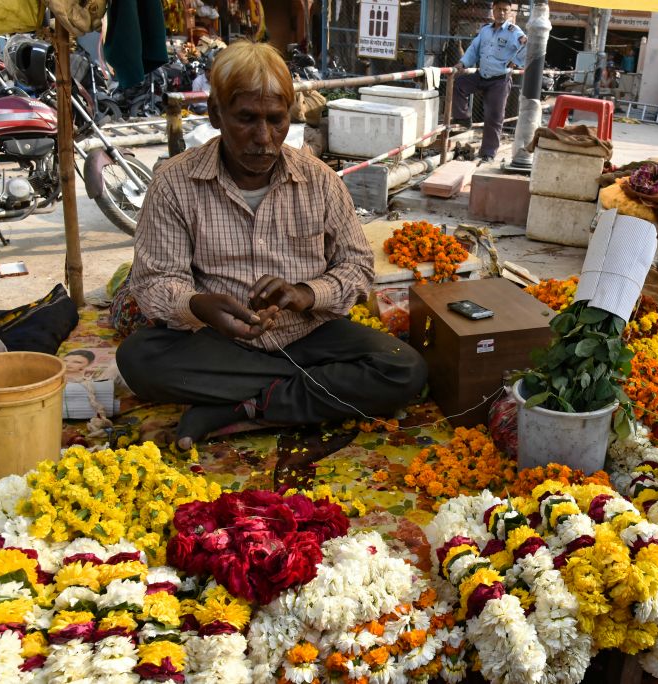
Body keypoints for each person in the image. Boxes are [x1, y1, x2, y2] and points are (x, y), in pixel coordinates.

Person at [116, 41, 428, 450]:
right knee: (138, 359)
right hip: (222, 342)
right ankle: (291, 397)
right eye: (246, 118)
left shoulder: (319, 180)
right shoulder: (174, 183)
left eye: (275, 120)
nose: (263, 137)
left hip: (310, 334)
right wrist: (198, 305)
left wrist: (306, 293)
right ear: (215, 114)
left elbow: (357, 267)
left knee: (402, 368)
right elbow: (156, 280)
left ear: (289, 116)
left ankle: (237, 406)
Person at [452, 0, 528, 162]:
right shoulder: (485, 30)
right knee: (459, 84)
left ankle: (488, 153)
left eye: (505, 10)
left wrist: (516, 60)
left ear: (509, 13)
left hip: (499, 81)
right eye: (498, 9)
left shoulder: (513, 31)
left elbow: (527, 45)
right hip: (482, 75)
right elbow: (473, 49)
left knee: (494, 117)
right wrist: (463, 63)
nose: (501, 13)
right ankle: (463, 118)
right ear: (493, 10)